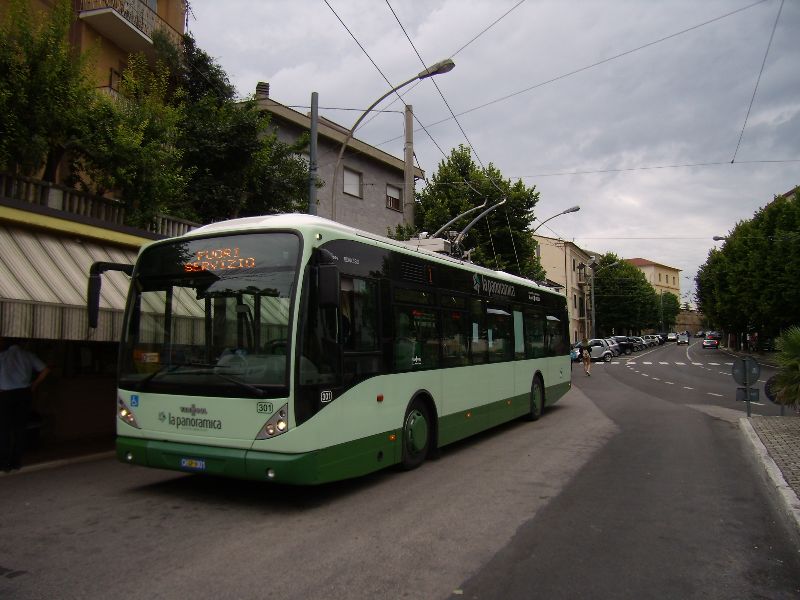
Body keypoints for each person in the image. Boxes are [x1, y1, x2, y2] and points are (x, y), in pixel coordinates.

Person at [0, 336, 50, 472]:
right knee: (19, 428)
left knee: (4, 429)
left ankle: (4, 463)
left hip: (5, 395)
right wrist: (34, 384)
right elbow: (45, 370)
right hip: (24, 394)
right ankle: (16, 462)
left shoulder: (2, 356)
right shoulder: (28, 355)